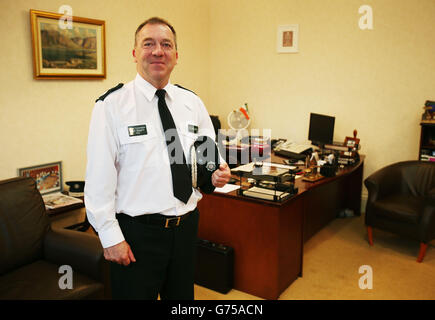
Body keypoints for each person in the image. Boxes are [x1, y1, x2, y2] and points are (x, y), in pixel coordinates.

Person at [84, 17, 231, 300]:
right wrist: (110, 237)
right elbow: (99, 179)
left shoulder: (192, 103)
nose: (157, 51)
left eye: (166, 45)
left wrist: (215, 175)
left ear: (176, 55)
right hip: (137, 234)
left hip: (185, 229)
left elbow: (207, 160)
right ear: (135, 53)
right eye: (148, 44)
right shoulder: (111, 106)